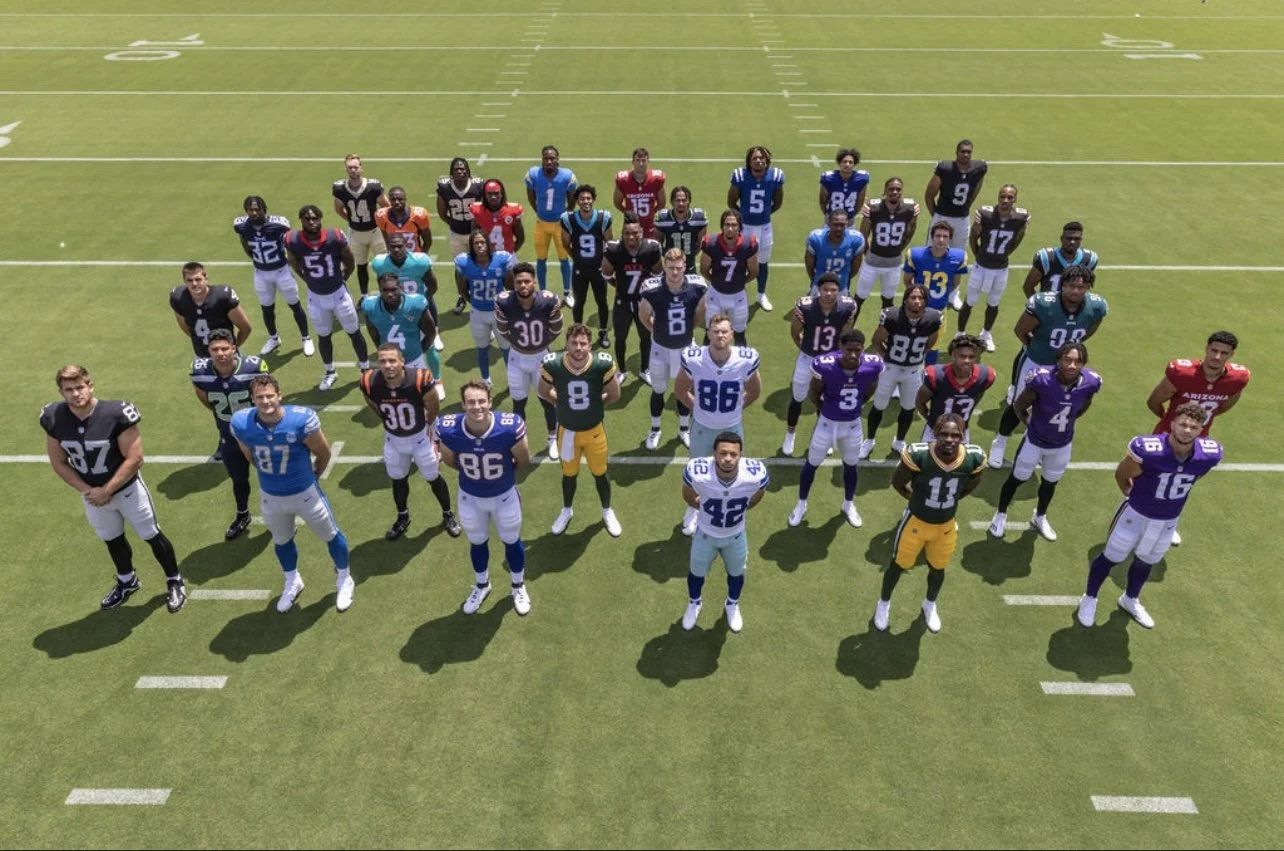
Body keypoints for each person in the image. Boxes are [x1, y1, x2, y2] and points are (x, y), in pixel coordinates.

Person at [41, 365, 186, 613]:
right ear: (60, 392)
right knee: (112, 538)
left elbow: (135, 459)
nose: (75, 394)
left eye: (79, 387)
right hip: (92, 494)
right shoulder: (53, 417)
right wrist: (87, 490)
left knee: (151, 534)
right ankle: (127, 581)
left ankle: (175, 580)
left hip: (127, 490)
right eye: (69, 389)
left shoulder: (115, 414)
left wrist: (106, 490)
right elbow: (58, 462)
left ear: (90, 386)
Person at [1076, 403, 1222, 630]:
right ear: (1172, 424)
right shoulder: (1150, 449)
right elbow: (1122, 474)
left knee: (1147, 560)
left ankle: (1130, 599)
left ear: (1201, 430)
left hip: (1168, 520)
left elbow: (1196, 475)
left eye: (1193, 427)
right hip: (1135, 514)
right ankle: (1089, 597)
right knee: (1112, 556)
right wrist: (1133, 497)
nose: (1187, 430)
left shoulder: (1209, 454)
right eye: (1183, 424)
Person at [231, 375, 354, 613]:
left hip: (305, 493)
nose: (265, 401)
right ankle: (292, 580)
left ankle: (345, 578)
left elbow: (324, 453)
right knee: (281, 540)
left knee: (330, 534)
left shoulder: (300, 420)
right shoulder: (241, 423)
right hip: (271, 496)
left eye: (270, 396)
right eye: (259, 397)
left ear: (280, 396)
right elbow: (249, 455)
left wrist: (313, 476)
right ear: (252, 399)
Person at [872, 413, 986, 634]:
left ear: (962, 436)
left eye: (955, 435)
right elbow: (898, 482)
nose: (949, 439)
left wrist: (949, 501)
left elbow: (972, 483)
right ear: (935, 434)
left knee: (938, 568)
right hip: (916, 522)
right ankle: (883, 603)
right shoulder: (920, 455)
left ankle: (929, 604)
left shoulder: (973, 457)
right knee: (898, 565)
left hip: (945, 526)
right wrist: (915, 500)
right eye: (944, 434)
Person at [989, 264, 1108, 468]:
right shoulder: (1044, 303)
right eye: (1071, 286)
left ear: (1088, 288)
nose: (1076, 291)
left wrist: (1070, 352)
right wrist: (1036, 349)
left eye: (1081, 287)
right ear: (1063, 285)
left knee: (1055, 404)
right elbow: (1020, 330)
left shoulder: (1096, 306)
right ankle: (1000, 442)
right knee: (1018, 401)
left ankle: (1039, 444)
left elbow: (1091, 328)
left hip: (1066, 367)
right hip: (1036, 360)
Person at [1144, 330, 1249, 546]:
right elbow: (1154, 401)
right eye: (1214, 350)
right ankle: (1139, 516)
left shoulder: (1237, 378)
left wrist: (1196, 427)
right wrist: (1171, 423)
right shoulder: (1182, 373)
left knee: (1181, 485)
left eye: (1224, 353)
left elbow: (1224, 406)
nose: (1217, 357)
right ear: (1206, 349)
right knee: (1150, 480)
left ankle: (1168, 523)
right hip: (1166, 436)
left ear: (1232, 355)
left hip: (1197, 441)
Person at [436, 381, 533, 616]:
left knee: (511, 540)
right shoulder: (448, 429)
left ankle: (518, 586)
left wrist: (501, 479)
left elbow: (523, 460)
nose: (476, 406)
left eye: (481, 401)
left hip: (504, 496)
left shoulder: (509, 427)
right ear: (463, 404)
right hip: (470, 497)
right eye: (471, 402)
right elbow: (450, 461)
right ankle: (482, 585)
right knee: (477, 541)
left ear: (490, 402)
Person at [988, 342, 1101, 542]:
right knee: (1017, 479)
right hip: (1034, 442)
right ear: (1058, 360)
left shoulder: (1090, 383)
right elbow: (1018, 406)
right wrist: (1031, 424)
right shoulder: (1041, 380)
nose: (1072, 365)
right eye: (1067, 360)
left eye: (1078, 361)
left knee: (1050, 483)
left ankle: (1039, 516)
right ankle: (1000, 514)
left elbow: (1084, 405)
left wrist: (1069, 420)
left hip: (1062, 444)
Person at [358, 344, 462, 541]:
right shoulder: (369, 381)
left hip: (420, 438)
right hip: (393, 440)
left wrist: (428, 429)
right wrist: (387, 420)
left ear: (402, 361)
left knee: (433, 476)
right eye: (383, 361)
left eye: (392, 360)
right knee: (398, 479)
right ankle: (403, 516)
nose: (388, 365)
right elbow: (371, 403)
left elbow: (433, 407)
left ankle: (448, 514)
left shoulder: (419, 379)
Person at [787, 330, 884, 529]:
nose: (853, 355)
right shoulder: (825, 365)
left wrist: (859, 404)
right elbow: (814, 393)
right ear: (841, 348)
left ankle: (848, 504)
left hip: (853, 425)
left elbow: (871, 386)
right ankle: (801, 504)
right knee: (812, 463)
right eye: (849, 350)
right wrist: (826, 411)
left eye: (858, 350)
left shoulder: (872, 364)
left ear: (863, 349)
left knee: (851, 465)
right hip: (827, 424)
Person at [675, 314, 762, 534]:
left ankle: (726, 508)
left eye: (724, 331)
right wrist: (698, 409)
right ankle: (694, 509)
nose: (720, 335)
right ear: (708, 333)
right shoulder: (694, 358)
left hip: (731, 427)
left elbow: (754, 391)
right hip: (702, 427)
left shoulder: (745, 359)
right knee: (697, 472)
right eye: (715, 331)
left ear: (732, 334)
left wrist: (736, 409)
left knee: (730, 469)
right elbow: (680, 390)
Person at [538, 324, 623, 537]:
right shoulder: (554, 364)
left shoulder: (601, 364)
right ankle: (567, 509)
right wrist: (561, 403)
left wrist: (596, 405)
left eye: (583, 343)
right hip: (567, 432)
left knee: (600, 472)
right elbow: (543, 390)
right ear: (566, 344)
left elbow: (615, 394)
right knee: (569, 474)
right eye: (574, 343)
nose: (578, 347)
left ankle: (607, 510)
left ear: (590, 345)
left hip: (594, 432)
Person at [680, 433, 768, 633]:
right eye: (723, 453)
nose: (728, 459)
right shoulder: (698, 471)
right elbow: (687, 491)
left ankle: (732, 604)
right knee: (696, 572)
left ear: (741, 455)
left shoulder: (754, 473)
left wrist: (745, 505)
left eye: (733, 454)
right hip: (705, 535)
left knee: (736, 573)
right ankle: (694, 602)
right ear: (714, 453)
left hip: (735, 536)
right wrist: (697, 504)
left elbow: (760, 491)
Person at [189, 329, 269, 540]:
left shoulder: (253, 368)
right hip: (229, 437)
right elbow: (205, 398)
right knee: (238, 478)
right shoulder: (200, 372)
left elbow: (268, 399)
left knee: (270, 477)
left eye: (225, 348)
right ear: (208, 351)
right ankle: (243, 514)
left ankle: (279, 515)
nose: (221, 353)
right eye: (215, 349)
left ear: (234, 348)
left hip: (258, 434)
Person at [284, 205, 369, 390]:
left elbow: (350, 262)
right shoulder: (293, 240)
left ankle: (365, 369)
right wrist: (308, 279)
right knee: (323, 336)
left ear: (320, 218)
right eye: (307, 218)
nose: (311, 222)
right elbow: (293, 262)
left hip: (339, 294)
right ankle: (330, 372)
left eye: (315, 218)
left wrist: (342, 278)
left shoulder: (334, 237)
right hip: (316, 297)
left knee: (354, 332)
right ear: (301, 220)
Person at [639, 248, 707, 450]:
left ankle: (684, 429)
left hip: (685, 349)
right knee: (658, 390)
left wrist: (686, 331)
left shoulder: (697, 286)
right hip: (660, 349)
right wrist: (658, 331)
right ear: (664, 267)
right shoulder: (652, 288)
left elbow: (700, 314)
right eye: (670, 268)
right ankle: (655, 428)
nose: (675, 272)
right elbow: (644, 316)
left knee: (683, 390)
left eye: (678, 267)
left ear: (685, 266)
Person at [863, 283, 942, 458]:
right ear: (905, 299)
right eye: (913, 297)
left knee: (908, 408)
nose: (917, 301)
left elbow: (931, 341)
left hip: (913, 370)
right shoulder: (892, 316)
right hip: (890, 368)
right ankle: (869, 440)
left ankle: (899, 441)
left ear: (925, 301)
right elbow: (876, 340)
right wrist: (886, 356)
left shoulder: (933, 318)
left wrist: (919, 355)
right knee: (879, 405)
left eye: (921, 298)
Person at [496, 262, 564, 458]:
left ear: (534, 282)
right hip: (516, 359)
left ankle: (552, 438)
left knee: (547, 401)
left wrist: (540, 344)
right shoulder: (504, 302)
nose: (523, 285)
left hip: (541, 357)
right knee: (518, 403)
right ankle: (519, 441)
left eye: (527, 281)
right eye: (519, 282)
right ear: (513, 284)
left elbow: (557, 328)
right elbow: (502, 330)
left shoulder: (548, 301)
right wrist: (520, 345)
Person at [783, 273, 856, 455]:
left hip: (830, 362)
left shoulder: (846, 307)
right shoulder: (806, 307)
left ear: (838, 291)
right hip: (808, 357)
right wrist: (805, 349)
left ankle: (825, 436)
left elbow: (846, 335)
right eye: (825, 289)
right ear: (818, 290)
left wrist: (836, 356)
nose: (829, 293)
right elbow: (795, 332)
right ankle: (790, 435)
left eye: (833, 290)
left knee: (826, 399)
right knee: (798, 397)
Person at [233, 196, 313, 357]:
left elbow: (290, 243)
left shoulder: (278, 225)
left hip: (282, 271)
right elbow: (245, 243)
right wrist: (255, 259)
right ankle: (273, 338)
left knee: (294, 304)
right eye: (250, 210)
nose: (254, 213)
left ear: (264, 210)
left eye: (257, 209)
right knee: (267, 308)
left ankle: (306, 338)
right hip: (261, 273)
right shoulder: (242, 226)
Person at [957, 184, 1030, 350]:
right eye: (1002, 196)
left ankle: (986, 334)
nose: (1005, 200)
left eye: (1010, 197)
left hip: (1001, 268)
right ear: (998, 197)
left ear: (1015, 199)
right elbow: (973, 237)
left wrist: (1005, 254)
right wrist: (978, 255)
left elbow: (1018, 238)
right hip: (981, 266)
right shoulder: (986, 214)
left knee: (993, 302)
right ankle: (960, 333)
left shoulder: (1020, 217)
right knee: (970, 300)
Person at [359, 273, 442, 400]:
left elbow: (431, 332)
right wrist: (383, 350)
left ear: (400, 288)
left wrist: (420, 349)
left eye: (393, 289)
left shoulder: (415, 304)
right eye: (385, 290)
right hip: (390, 361)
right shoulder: (370, 307)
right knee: (395, 397)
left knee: (424, 395)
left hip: (414, 359)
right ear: (379, 290)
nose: (389, 294)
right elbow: (373, 332)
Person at [601, 214, 663, 383]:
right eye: (627, 233)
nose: (631, 237)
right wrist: (619, 286)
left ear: (641, 232)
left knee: (646, 336)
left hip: (643, 302)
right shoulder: (614, 249)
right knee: (620, 337)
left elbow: (658, 274)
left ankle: (644, 369)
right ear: (622, 233)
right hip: (622, 301)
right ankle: (622, 370)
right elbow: (606, 274)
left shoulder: (651, 248)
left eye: (635, 233)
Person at [454, 230, 516, 386]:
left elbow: (510, 287)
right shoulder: (465, 263)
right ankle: (486, 379)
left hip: (499, 312)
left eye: (482, 242)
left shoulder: (501, 260)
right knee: (482, 349)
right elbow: (462, 289)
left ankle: (512, 377)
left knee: (506, 348)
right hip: (478, 313)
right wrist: (475, 303)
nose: (479, 245)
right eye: (476, 243)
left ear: (488, 243)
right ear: (471, 246)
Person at [728, 145, 785, 311]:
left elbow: (778, 203)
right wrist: (744, 217)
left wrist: (764, 214)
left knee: (763, 262)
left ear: (767, 161)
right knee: (741, 261)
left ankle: (761, 295)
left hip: (765, 226)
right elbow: (731, 202)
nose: (758, 161)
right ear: (749, 161)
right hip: (745, 227)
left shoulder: (775, 176)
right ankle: (739, 293)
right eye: (755, 158)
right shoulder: (740, 176)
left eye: (761, 158)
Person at [902, 222, 968, 364]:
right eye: (938, 236)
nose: (941, 240)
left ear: (950, 239)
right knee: (908, 341)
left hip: (939, 310)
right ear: (932, 237)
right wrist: (916, 297)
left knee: (933, 345)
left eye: (945, 236)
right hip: (916, 309)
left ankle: (928, 373)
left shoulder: (958, 257)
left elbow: (955, 283)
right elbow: (907, 280)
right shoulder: (916, 255)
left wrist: (940, 297)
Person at [855, 176, 920, 320]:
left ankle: (885, 331)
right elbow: (863, 233)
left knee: (888, 301)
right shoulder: (874, 208)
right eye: (891, 189)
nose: (895, 192)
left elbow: (910, 231)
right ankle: (848, 329)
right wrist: (868, 252)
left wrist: (899, 248)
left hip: (894, 265)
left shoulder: (910, 208)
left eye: (898, 189)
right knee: (859, 298)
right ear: (885, 190)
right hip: (872, 263)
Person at [370, 232, 444, 356]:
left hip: (415, 307)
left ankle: (435, 337)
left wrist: (422, 301)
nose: (396, 249)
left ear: (406, 245)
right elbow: (381, 285)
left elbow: (432, 286)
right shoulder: (380, 264)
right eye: (393, 246)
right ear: (388, 247)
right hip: (394, 308)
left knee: (429, 345)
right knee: (398, 341)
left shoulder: (419, 262)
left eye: (399, 246)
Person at [914, 334, 995, 443]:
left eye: (971, 357)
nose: (967, 360)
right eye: (962, 356)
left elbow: (979, 394)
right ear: (953, 356)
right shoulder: (936, 375)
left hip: (961, 431)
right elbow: (920, 402)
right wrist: (931, 421)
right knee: (928, 454)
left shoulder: (985, 375)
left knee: (961, 455)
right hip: (935, 431)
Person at [559, 184, 613, 346]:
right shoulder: (569, 219)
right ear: (577, 201)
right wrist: (576, 258)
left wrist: (606, 264)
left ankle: (603, 331)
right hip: (580, 269)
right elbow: (565, 243)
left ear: (593, 200)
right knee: (579, 302)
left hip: (598, 268)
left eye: (589, 198)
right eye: (582, 198)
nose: (586, 201)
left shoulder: (603, 218)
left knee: (601, 301)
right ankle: (577, 333)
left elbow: (609, 244)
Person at [331, 153, 389, 296]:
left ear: (361, 168)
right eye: (350, 167)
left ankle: (386, 294)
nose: (353, 170)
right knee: (361, 266)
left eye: (355, 167)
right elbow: (338, 209)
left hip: (376, 232)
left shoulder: (373, 187)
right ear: (345, 169)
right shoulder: (340, 189)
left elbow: (386, 207)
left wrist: (382, 224)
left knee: (383, 266)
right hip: (356, 233)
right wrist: (351, 220)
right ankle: (364, 296)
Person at [698, 209, 759, 345]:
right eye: (727, 224)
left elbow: (754, 271)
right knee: (710, 333)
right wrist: (717, 281)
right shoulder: (711, 243)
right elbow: (704, 270)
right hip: (715, 295)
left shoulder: (748, 244)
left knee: (739, 334)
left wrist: (739, 283)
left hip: (738, 296)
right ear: (722, 226)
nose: (730, 228)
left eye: (734, 225)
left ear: (739, 227)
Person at [525, 145, 577, 299]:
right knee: (541, 259)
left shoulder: (567, 176)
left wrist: (565, 217)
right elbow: (530, 196)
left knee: (564, 259)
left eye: (552, 158)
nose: (549, 161)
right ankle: (542, 291)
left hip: (560, 225)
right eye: (546, 158)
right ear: (542, 159)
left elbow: (572, 200)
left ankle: (567, 291)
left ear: (557, 159)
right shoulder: (533, 174)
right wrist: (539, 211)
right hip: (541, 224)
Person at [170, 261, 252, 358]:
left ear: (206, 278)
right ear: (184, 281)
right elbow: (185, 327)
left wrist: (233, 347)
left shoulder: (222, 297)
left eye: (198, 279)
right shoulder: (179, 298)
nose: (194, 283)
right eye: (190, 280)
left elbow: (245, 328)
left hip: (227, 356)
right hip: (201, 356)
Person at [923, 139, 987, 251]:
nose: (966, 154)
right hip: (942, 216)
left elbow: (978, 184)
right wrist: (936, 215)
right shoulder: (945, 169)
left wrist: (968, 203)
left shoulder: (978, 168)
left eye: (968, 152)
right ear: (956, 152)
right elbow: (929, 195)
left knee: (957, 254)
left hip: (962, 219)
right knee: (933, 251)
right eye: (963, 151)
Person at [1020, 221, 1098, 297]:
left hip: (1075, 304)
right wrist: (1038, 304)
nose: (1072, 242)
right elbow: (1028, 287)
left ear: (1081, 240)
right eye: (1069, 238)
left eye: (1076, 239)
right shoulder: (1047, 258)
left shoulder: (1089, 259)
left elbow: (1085, 286)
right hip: (1050, 304)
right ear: (1061, 239)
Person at [804, 208, 865, 294]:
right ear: (829, 223)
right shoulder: (816, 239)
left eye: (842, 225)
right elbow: (809, 267)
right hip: (818, 287)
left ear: (847, 224)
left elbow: (855, 268)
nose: (839, 228)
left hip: (841, 287)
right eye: (835, 224)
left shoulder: (856, 240)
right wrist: (818, 281)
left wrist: (844, 279)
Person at [436, 157, 485, 262]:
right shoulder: (445, 187)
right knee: (460, 265)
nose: (459, 171)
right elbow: (442, 213)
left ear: (468, 171)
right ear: (451, 172)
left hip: (476, 233)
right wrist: (453, 223)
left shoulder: (477, 186)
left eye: (462, 169)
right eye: (456, 169)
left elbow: (484, 210)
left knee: (480, 262)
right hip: (456, 234)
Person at [653, 185, 708, 274]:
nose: (681, 204)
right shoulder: (662, 218)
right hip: (670, 268)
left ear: (689, 201)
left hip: (690, 267)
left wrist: (691, 255)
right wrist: (668, 256)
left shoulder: (699, 218)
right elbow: (658, 244)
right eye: (677, 200)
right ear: (672, 202)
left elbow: (700, 244)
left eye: (684, 200)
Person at [613, 147, 666, 239]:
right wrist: (628, 213)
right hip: (630, 228)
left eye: (643, 160)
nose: (641, 164)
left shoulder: (656, 179)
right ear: (633, 162)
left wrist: (652, 212)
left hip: (649, 228)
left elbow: (662, 203)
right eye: (638, 160)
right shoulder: (623, 180)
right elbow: (617, 203)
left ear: (648, 162)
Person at [469, 178, 525, 255]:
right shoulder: (477, 210)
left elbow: (520, 238)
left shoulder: (513, 211)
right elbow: (474, 237)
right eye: (489, 194)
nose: (493, 197)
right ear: (485, 195)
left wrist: (510, 253)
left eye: (496, 193)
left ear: (502, 194)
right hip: (486, 256)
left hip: (507, 255)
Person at [374, 185, 432, 254]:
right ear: (389, 200)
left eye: (400, 199)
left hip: (415, 256)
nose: (396, 202)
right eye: (393, 199)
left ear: (405, 199)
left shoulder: (418, 215)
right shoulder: (381, 216)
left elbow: (428, 241)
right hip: (395, 256)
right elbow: (387, 239)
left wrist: (421, 256)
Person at [818, 148, 870, 223]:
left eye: (850, 162)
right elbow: (822, 201)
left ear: (854, 164)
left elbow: (860, 200)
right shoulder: (829, 178)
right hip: (831, 219)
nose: (847, 164)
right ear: (839, 163)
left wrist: (852, 215)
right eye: (844, 161)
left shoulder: (861, 179)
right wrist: (827, 214)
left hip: (849, 219)